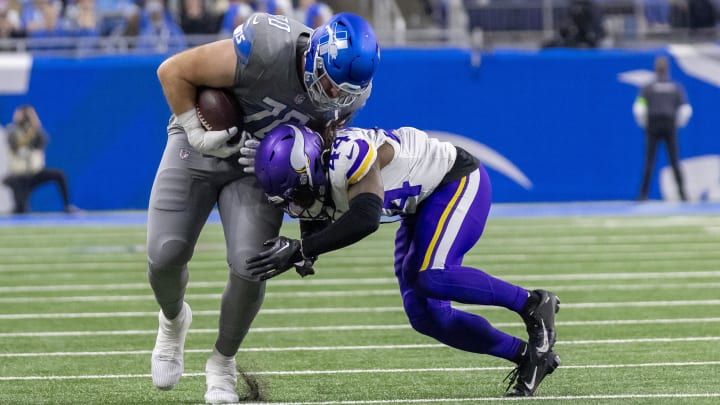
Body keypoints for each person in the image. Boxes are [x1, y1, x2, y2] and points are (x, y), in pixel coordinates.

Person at [147, 11, 379, 404]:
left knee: (252, 264)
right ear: (316, 54)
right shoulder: (268, 45)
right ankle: (173, 321)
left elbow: (322, 143)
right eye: (328, 82)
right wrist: (196, 130)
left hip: (261, 168)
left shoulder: (352, 91)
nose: (333, 96)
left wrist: (307, 214)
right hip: (200, 144)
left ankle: (222, 362)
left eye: (343, 91)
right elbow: (172, 71)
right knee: (165, 253)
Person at [246, 124, 561, 397]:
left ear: (312, 165)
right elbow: (319, 209)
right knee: (425, 316)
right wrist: (307, 246)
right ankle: (526, 355)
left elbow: (365, 218)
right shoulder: (314, 177)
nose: (296, 205)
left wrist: (302, 248)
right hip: (418, 206)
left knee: (432, 276)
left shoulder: (347, 156)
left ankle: (533, 303)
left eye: (297, 195)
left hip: (455, 182)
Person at [633, 55, 692, 201]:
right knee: (672, 161)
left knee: (651, 161)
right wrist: (679, 122)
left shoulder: (649, 87)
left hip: (654, 124)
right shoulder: (674, 87)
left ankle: (643, 195)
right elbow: (686, 109)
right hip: (668, 124)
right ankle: (682, 194)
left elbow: (639, 108)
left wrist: (643, 122)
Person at [2, 104, 79, 214]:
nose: (25, 118)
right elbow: (15, 144)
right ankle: (18, 208)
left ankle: (67, 206)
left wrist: (33, 123)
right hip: (19, 176)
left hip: (36, 173)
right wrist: (25, 130)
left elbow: (42, 141)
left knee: (59, 175)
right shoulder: (12, 131)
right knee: (21, 210)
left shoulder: (36, 132)